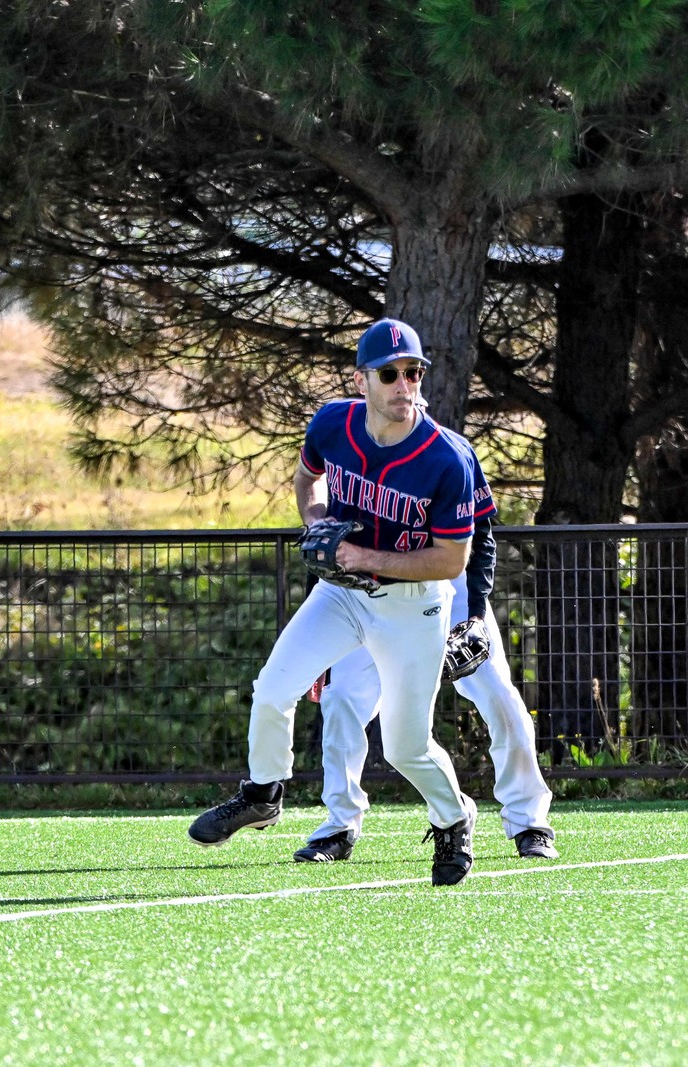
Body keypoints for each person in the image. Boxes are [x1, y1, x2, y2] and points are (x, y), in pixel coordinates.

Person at [187, 318, 480, 887]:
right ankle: (263, 794)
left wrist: (362, 556)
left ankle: (453, 818)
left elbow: (451, 561)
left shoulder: (446, 457)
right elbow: (307, 479)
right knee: (272, 690)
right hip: (343, 594)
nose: (404, 385)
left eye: (414, 372)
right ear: (361, 379)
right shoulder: (332, 422)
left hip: (412, 605)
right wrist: (319, 523)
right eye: (389, 374)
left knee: (405, 747)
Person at [296, 483, 558, 863]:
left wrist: (476, 614)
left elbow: (481, 535)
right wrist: (318, 638)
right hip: (368, 591)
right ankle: (340, 826)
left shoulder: (448, 456)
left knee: (498, 694)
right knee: (341, 700)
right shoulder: (349, 455)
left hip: (446, 587)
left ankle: (529, 821)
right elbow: (322, 547)